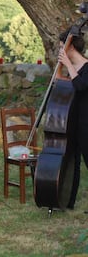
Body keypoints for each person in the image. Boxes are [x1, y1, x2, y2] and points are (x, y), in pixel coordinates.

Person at [57, 29, 87, 211]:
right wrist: (60, 70)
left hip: (86, 122)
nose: (60, 51)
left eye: (62, 47)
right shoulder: (74, 69)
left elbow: (82, 86)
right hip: (74, 122)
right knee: (73, 162)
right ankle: (68, 201)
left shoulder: (87, 67)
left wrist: (68, 65)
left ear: (71, 48)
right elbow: (63, 82)